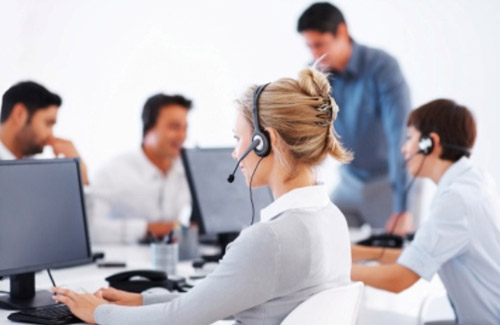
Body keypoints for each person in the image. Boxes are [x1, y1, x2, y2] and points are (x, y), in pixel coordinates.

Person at [52, 68, 353, 324]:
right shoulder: (333, 219)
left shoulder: (270, 239)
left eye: (239, 139)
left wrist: (100, 313)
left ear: (265, 141)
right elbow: (219, 296)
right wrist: (142, 301)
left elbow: (179, 319)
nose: (236, 153)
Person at [351, 99, 500, 324]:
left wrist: (333, 270)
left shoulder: (456, 200)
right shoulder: (473, 181)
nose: (403, 148)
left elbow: (399, 279)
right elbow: (418, 254)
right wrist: (359, 252)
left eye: (409, 137)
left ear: (430, 143)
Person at [298, 3, 413, 233]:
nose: (314, 54)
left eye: (320, 45)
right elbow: (308, 135)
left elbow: (398, 136)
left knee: (393, 258)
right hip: (350, 181)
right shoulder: (316, 74)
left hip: (388, 183)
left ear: (342, 32)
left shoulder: (383, 68)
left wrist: (402, 206)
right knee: (324, 238)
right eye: (309, 46)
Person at [90, 94, 192, 244]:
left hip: (174, 259)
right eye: (174, 127)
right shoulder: (113, 172)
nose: (182, 136)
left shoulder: (185, 169)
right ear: (148, 129)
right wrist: (147, 229)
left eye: (185, 128)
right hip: (125, 261)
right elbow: (91, 229)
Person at [0, 81, 89, 184]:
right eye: (48, 123)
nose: (51, 135)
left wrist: (80, 175)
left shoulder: (38, 174)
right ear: (19, 114)